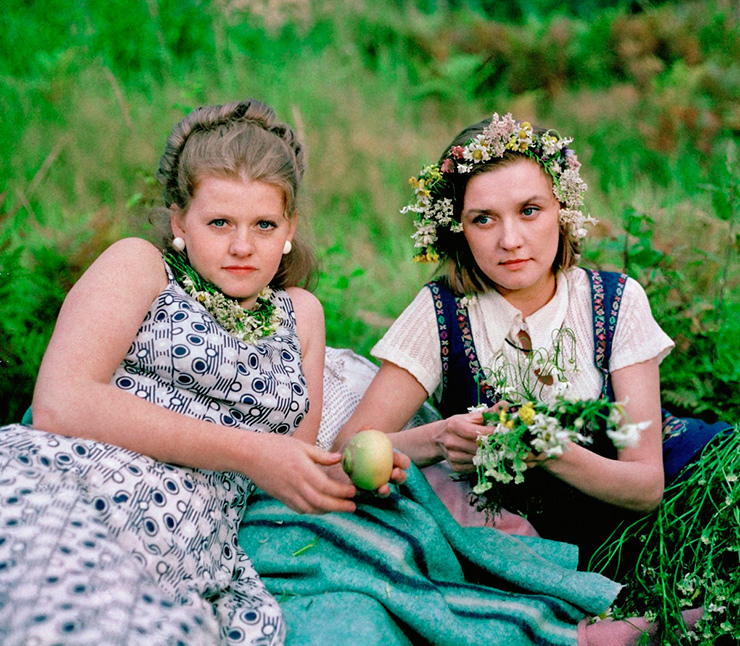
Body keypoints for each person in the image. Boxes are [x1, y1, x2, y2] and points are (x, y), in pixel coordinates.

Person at [0, 98, 375, 645]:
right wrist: (248, 451)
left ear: (290, 227)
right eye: (219, 222)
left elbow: (296, 462)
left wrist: (411, 449)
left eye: (264, 224)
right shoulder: (141, 266)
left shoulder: (302, 316)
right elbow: (62, 402)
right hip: (71, 485)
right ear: (179, 220)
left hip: (182, 549)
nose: (242, 246)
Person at [332, 113, 733, 583]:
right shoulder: (441, 312)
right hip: (531, 544)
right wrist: (438, 439)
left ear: (561, 211)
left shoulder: (615, 301)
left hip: (665, 506)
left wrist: (544, 449)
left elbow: (646, 486)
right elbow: (350, 449)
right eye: (483, 219)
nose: (510, 240)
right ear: (458, 229)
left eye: (529, 210)